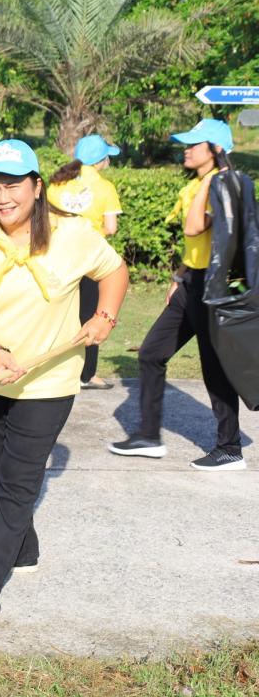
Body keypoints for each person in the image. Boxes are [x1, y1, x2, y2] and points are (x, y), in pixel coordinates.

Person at [0, 139, 128, 622]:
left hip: (49, 382)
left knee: (18, 482)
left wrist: (104, 316)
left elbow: (114, 271)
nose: (3, 197)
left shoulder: (72, 235)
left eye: (13, 186)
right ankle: (23, 552)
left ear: (36, 186)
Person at [108, 119, 245, 470]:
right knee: (152, 352)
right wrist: (179, 274)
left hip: (213, 288)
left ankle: (230, 449)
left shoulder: (223, 186)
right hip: (191, 283)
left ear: (214, 150)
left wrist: (213, 177)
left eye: (194, 144)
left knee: (215, 368)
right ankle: (149, 437)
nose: (186, 149)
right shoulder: (201, 183)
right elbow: (196, 243)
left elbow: (194, 227)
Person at [46, 134, 124, 390]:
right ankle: (86, 375)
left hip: (57, 258)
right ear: (101, 161)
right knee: (89, 316)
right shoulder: (105, 188)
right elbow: (111, 228)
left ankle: (50, 368)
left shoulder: (57, 184)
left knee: (55, 314)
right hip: (90, 261)